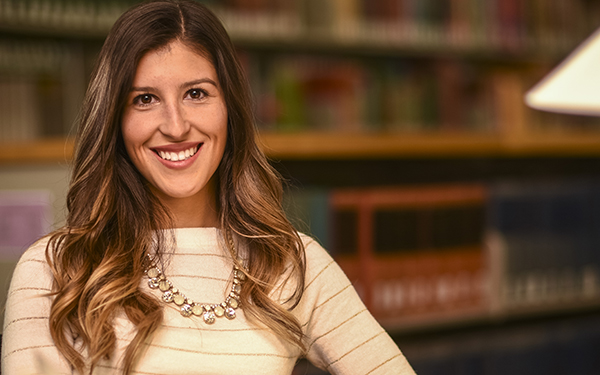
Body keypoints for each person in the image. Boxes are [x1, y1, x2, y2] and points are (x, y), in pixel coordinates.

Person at [1, 1, 415, 374]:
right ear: (115, 120)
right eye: (145, 99)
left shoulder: (293, 262)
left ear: (230, 109)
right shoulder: (54, 269)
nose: (176, 126)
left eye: (196, 93)